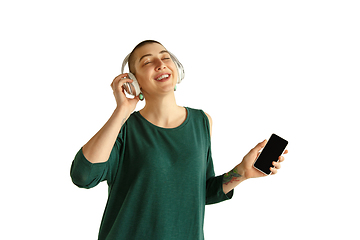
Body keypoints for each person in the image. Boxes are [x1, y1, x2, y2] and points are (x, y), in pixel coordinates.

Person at [70, 40, 288, 240]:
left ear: (177, 70)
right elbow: (84, 176)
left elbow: (202, 193)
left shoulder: (202, 122)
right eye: (147, 61)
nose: (160, 64)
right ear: (134, 83)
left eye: (166, 58)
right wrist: (122, 111)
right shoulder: (123, 128)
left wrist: (241, 172)